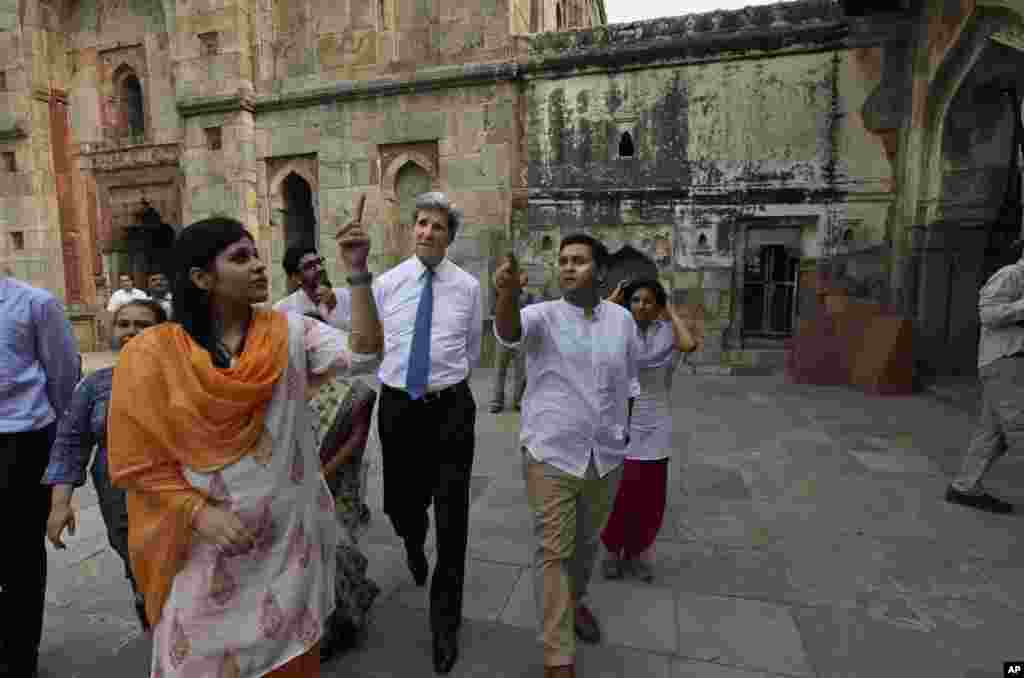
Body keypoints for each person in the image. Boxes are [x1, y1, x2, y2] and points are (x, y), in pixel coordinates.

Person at [107, 216, 381, 677]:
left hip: (286, 549)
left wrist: (358, 272)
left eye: (256, 254)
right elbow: (139, 464)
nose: (258, 265)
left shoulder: (290, 333)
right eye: (240, 257)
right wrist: (200, 513)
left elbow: (367, 353)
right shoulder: (153, 354)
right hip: (203, 548)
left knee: (288, 662)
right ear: (201, 278)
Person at [335, 191, 483, 675]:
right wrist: (355, 270)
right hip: (399, 407)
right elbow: (365, 348)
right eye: (420, 223)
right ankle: (412, 539)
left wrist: (447, 385)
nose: (426, 232)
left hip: (451, 409)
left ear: (449, 237)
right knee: (401, 504)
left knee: (453, 520)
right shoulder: (388, 284)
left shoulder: (467, 287)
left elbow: (471, 352)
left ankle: (445, 624)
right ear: (411, 229)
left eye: (437, 226)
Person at [493, 234, 639, 678]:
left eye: (578, 261)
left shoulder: (622, 321)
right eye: (563, 261)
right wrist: (505, 294)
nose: (568, 267)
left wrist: (623, 433)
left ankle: (575, 604)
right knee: (554, 550)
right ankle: (558, 657)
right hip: (551, 454)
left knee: (586, 546)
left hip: (605, 457)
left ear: (599, 270)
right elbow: (509, 332)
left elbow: (629, 384)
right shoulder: (543, 316)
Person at [42, 299, 169, 631]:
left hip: (174, 495)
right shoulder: (95, 386)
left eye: (142, 325)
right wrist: (60, 505)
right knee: (136, 565)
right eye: (124, 324)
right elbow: (70, 444)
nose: (131, 332)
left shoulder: (184, 377)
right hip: (118, 497)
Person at [0, 270, 80, 677]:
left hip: (19, 440)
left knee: (18, 555)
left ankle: (19, 655)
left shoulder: (34, 304)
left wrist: (61, 453)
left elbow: (65, 376)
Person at [600, 279, 695, 582]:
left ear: (657, 306)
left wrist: (670, 310)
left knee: (650, 495)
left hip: (656, 422)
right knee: (618, 493)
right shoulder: (616, 332)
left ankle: (640, 552)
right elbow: (588, 330)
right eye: (636, 300)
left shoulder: (667, 334)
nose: (642, 305)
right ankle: (613, 551)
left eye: (649, 301)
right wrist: (610, 302)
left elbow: (688, 345)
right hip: (621, 419)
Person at [302, 310, 381, 663]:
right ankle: (319, 627)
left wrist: (320, 474)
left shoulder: (354, 391)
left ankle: (344, 621)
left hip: (337, 484)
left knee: (338, 553)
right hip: (297, 487)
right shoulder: (279, 389)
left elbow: (355, 440)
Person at [945, 253, 1024, 514]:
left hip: (1010, 365)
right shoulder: (1011, 274)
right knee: (1019, 427)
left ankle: (964, 487)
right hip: (1005, 362)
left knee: (992, 435)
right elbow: (988, 314)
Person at [490, 261, 535, 413]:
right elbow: (494, 278)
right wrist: (505, 267)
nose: (524, 279)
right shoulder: (502, 289)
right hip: (502, 337)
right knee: (499, 370)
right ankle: (497, 401)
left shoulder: (528, 295)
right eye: (520, 275)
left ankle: (518, 400)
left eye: (524, 276)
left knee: (521, 371)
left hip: (521, 337)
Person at [275, 245, 352, 330]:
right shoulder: (283, 310)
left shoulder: (345, 296)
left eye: (319, 262)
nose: (319, 268)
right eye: (310, 266)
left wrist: (333, 308)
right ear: (296, 277)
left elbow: (356, 337)